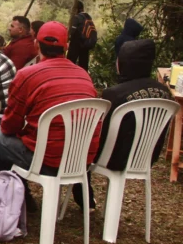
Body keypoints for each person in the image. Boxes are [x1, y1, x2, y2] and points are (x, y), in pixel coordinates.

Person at [0, 22, 99, 210]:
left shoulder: (27, 75)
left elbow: (10, 126)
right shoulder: (83, 75)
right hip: (81, 159)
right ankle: (22, 195)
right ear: (66, 48)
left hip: (47, 160)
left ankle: (18, 196)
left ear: (37, 45)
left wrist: (23, 130)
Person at [74, 39, 172, 209]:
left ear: (123, 63)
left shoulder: (114, 94)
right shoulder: (165, 93)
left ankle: (84, 196)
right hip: (146, 158)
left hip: (113, 158)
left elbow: (101, 131)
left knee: (84, 144)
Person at [67, 0, 96, 72]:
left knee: (70, 63)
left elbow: (72, 32)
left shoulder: (77, 18)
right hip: (86, 44)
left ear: (76, 9)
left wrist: (68, 38)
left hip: (76, 44)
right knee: (84, 65)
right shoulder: (88, 17)